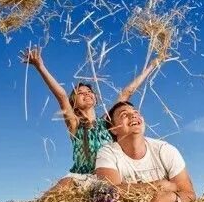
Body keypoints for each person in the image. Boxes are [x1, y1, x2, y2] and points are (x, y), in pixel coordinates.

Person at [21, 46, 161, 188]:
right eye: (80, 93)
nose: (86, 93)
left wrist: (151, 66)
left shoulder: (108, 122)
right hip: (82, 177)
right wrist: (40, 66)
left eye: (89, 91)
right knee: (63, 185)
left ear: (95, 98)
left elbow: (127, 92)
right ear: (74, 103)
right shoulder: (75, 124)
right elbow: (61, 95)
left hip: (110, 175)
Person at [95, 100, 196, 202]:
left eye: (136, 112)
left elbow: (189, 194)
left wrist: (174, 198)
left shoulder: (165, 150)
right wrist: (159, 185)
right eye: (124, 115)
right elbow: (108, 192)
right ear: (113, 129)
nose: (133, 115)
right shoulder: (107, 153)